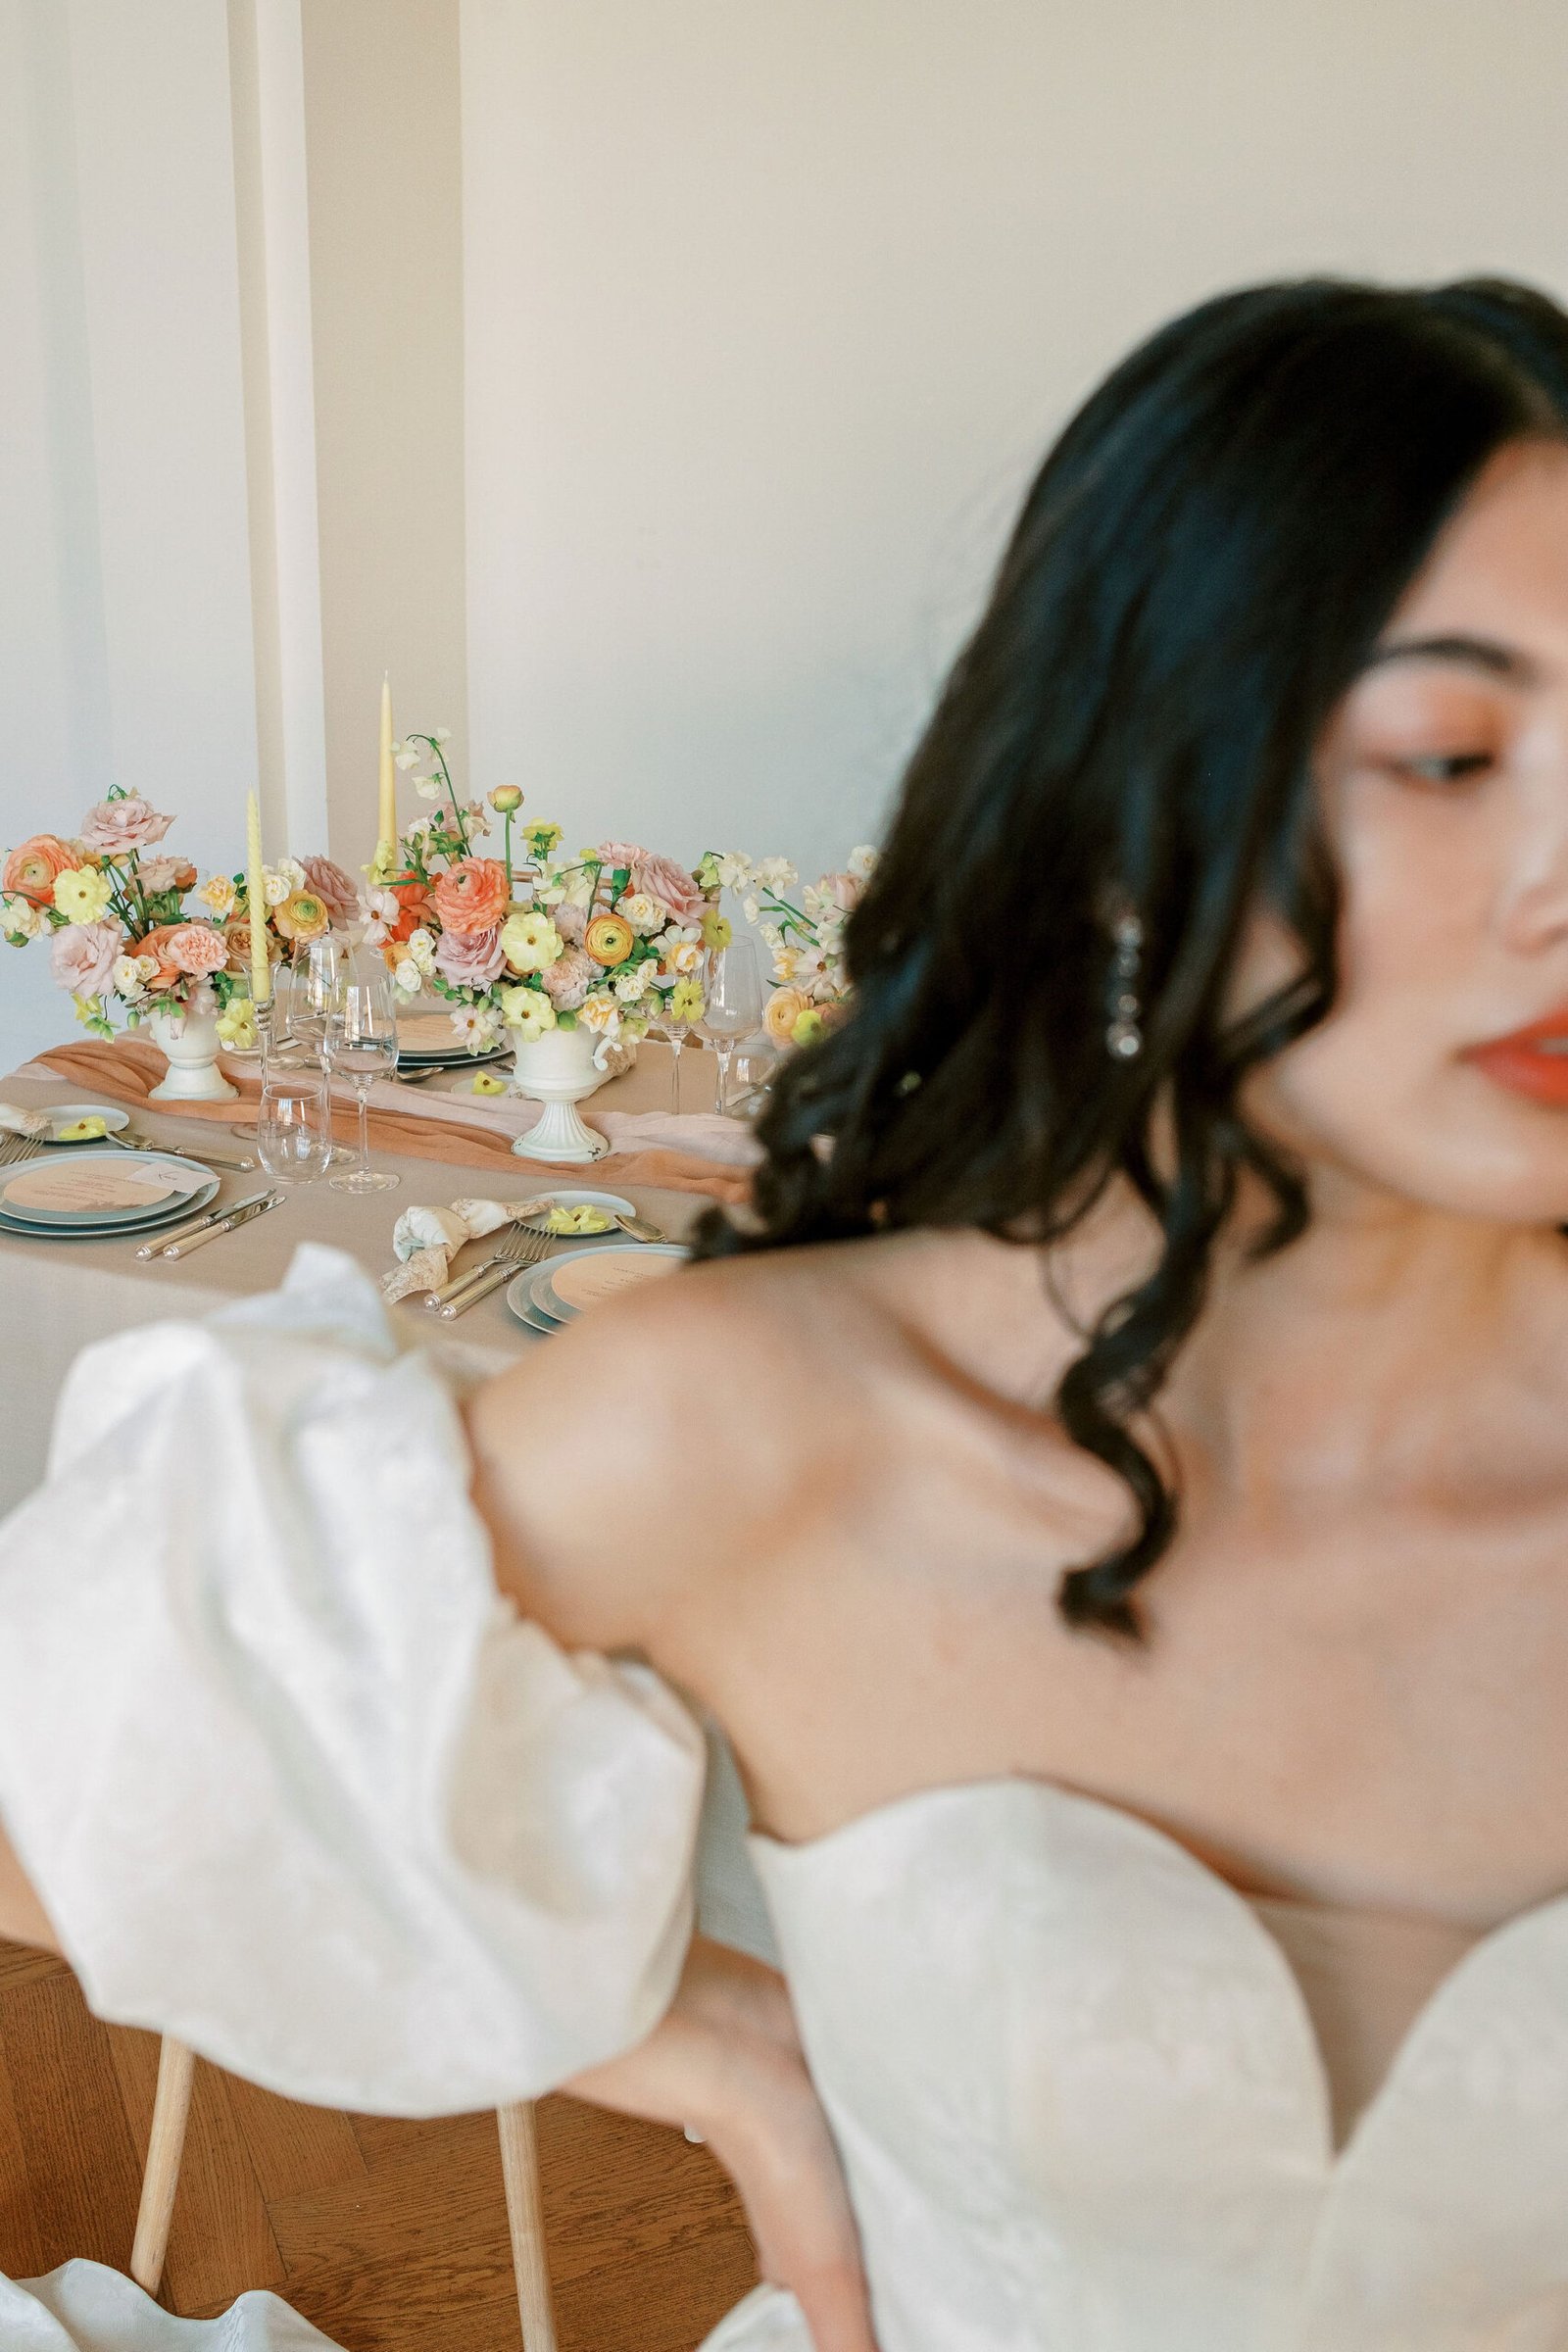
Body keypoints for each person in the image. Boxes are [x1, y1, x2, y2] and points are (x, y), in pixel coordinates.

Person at [6, 273, 1568, 2352]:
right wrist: (709, 2040)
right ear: (1131, 815)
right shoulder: (769, 1423)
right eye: (1452, 755)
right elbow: (64, 1790)